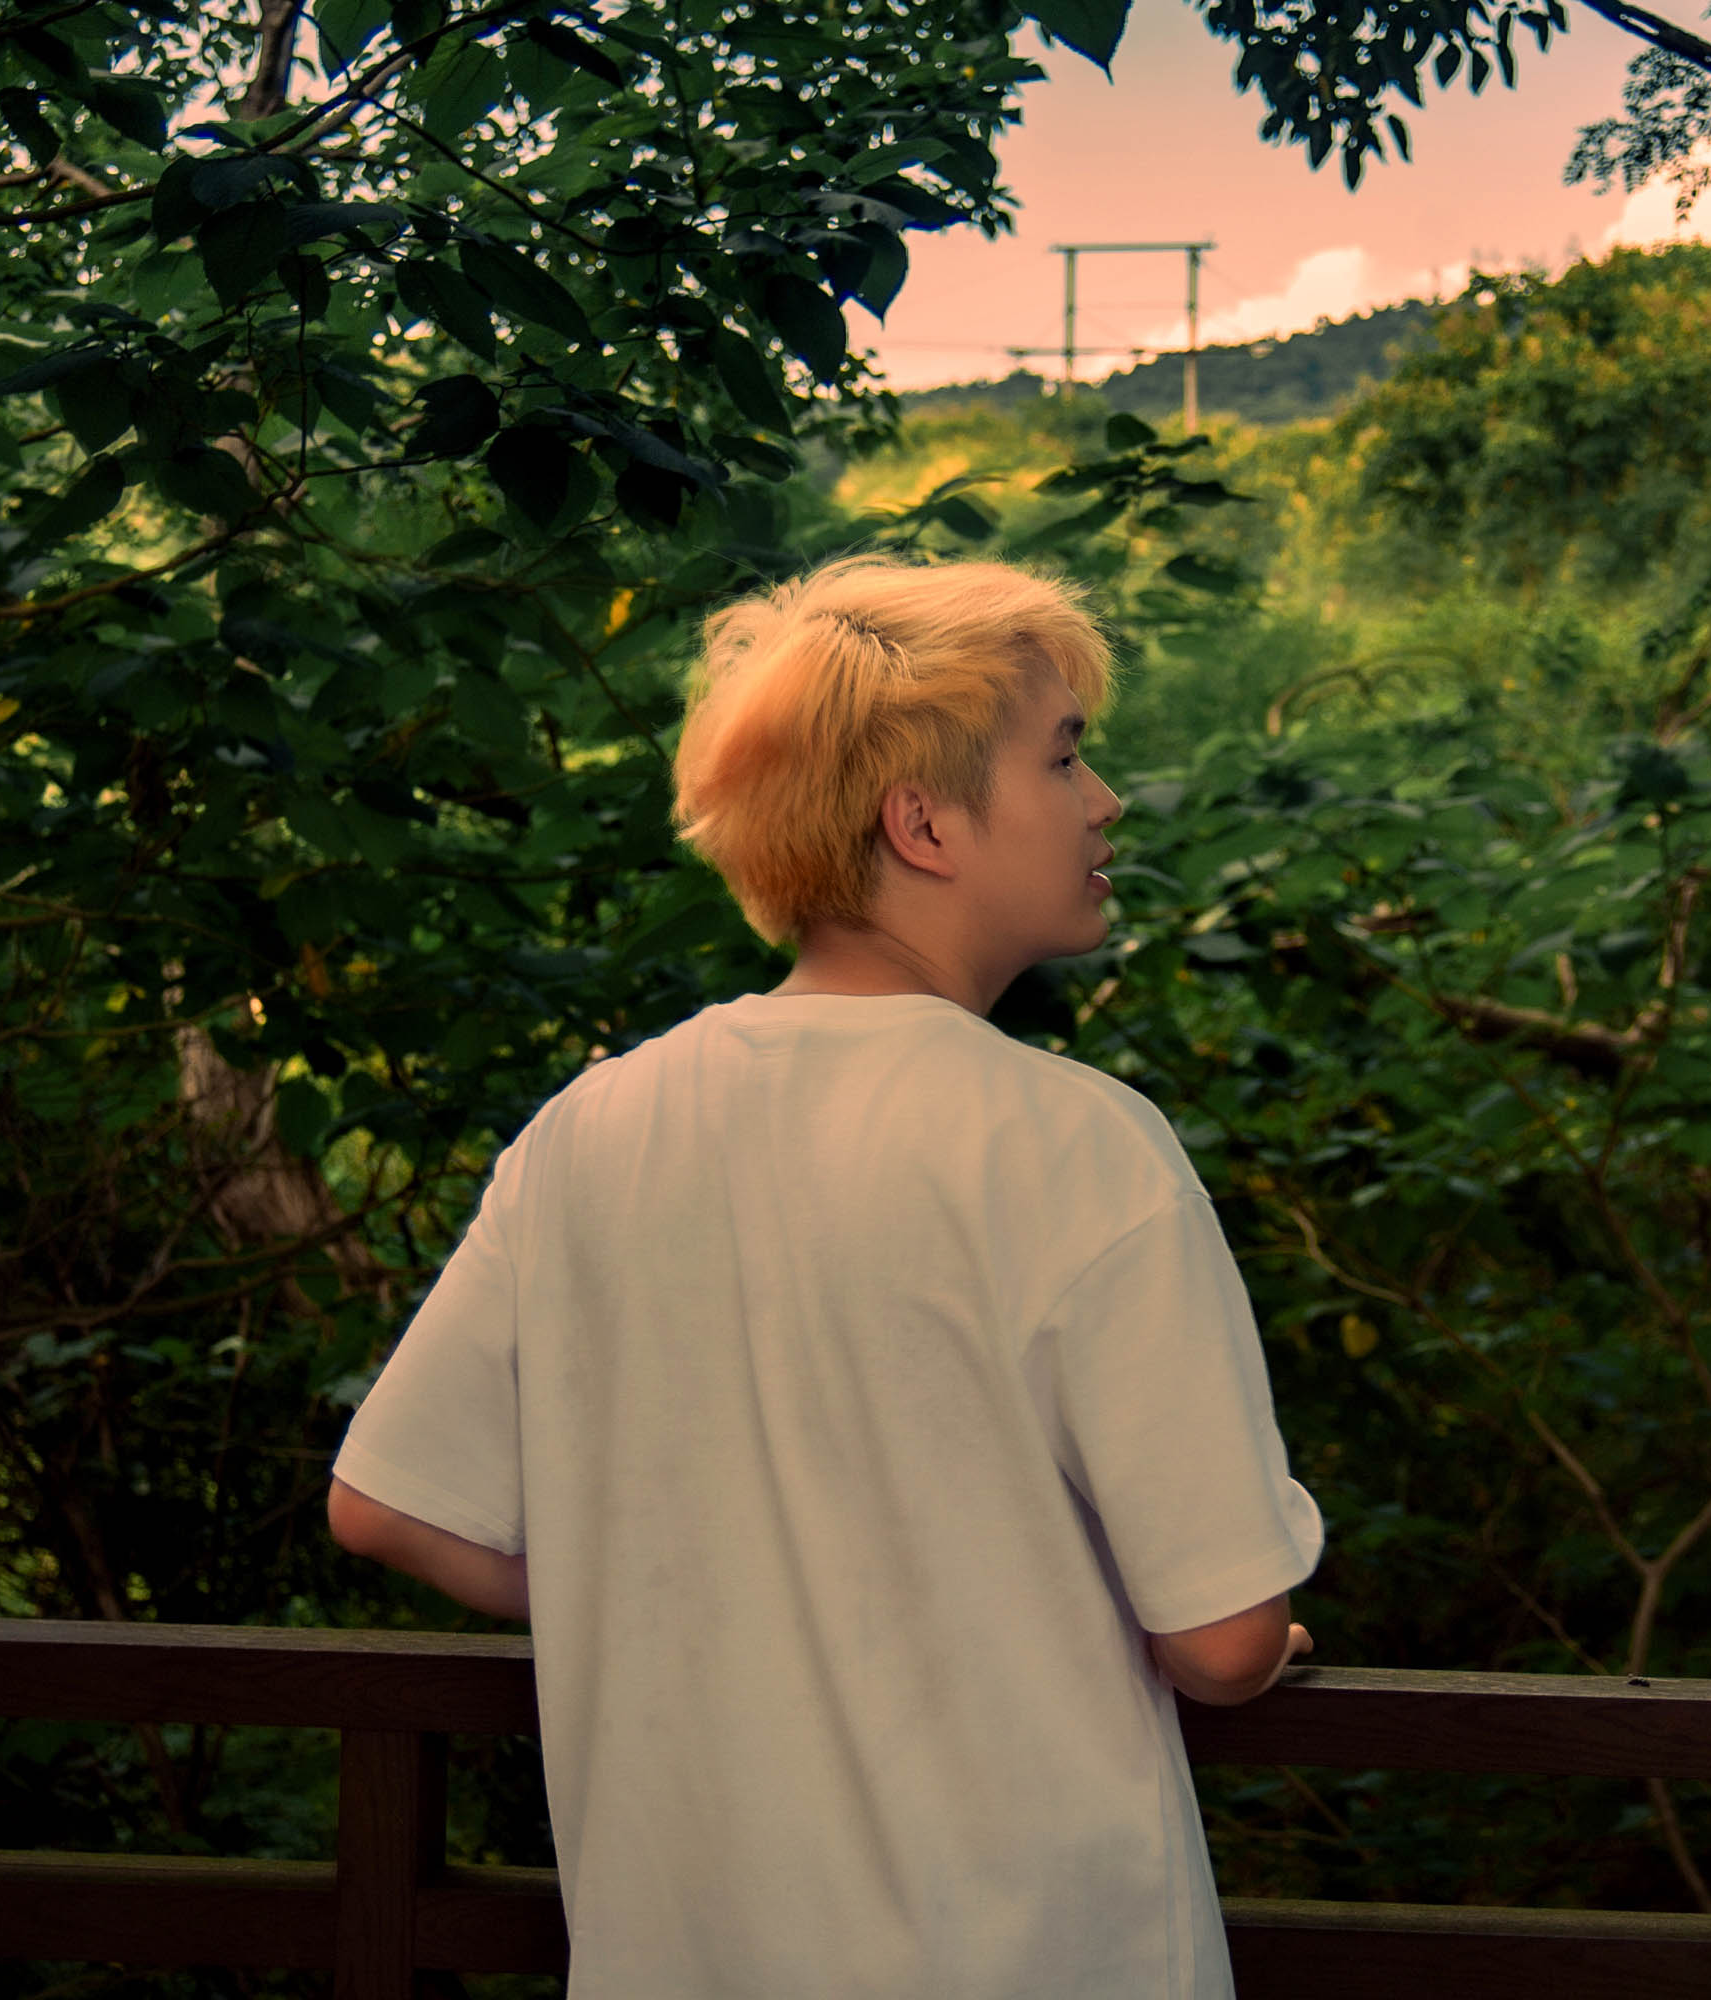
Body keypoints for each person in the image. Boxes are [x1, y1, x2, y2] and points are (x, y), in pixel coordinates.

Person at [327, 554, 1325, 1998]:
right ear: (922, 823)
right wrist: (1257, 1631)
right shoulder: (1074, 1145)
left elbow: (389, 1504)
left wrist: (682, 1582)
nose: (1106, 801)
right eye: (1063, 757)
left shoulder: (594, 1129)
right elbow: (1226, 1641)